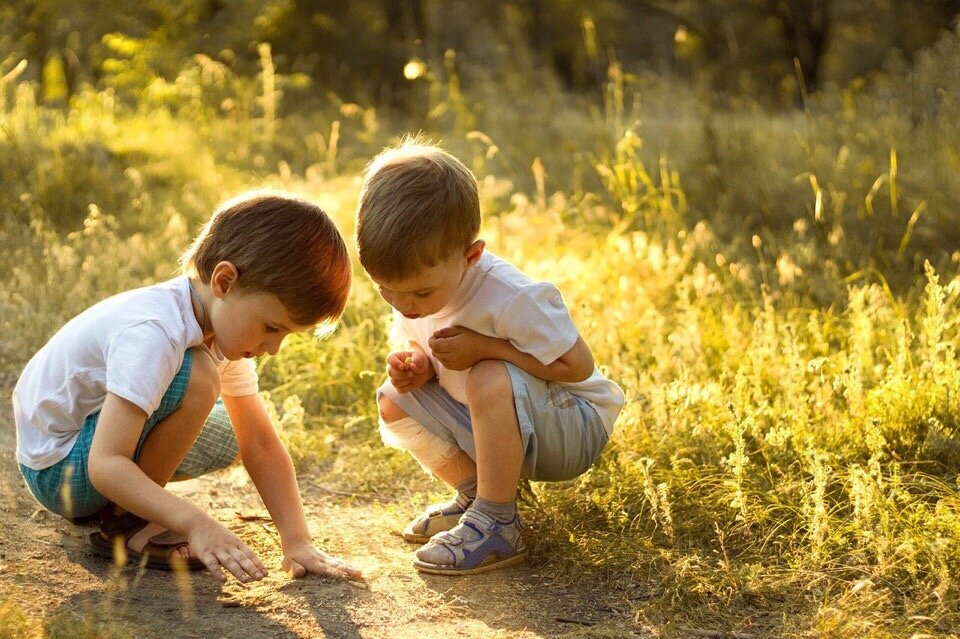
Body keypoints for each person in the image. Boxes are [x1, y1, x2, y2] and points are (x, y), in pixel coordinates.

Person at [14, 190, 362, 584]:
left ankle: (134, 505)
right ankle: (129, 522)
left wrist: (297, 541)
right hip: (59, 468)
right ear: (225, 281)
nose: (274, 349)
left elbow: (260, 444)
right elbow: (105, 465)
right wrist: (195, 521)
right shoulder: (155, 333)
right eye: (272, 328)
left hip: (90, 448)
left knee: (236, 431)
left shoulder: (220, 328)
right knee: (198, 379)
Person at [355, 140, 625, 575]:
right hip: (498, 422)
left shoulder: (510, 296)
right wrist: (416, 364)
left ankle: (498, 523)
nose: (403, 303)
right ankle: (476, 497)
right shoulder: (415, 285)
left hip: (572, 424)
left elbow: (578, 367)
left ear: (471, 256)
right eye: (385, 288)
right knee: (392, 398)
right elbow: (413, 338)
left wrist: (486, 348)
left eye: (420, 293)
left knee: (487, 374)